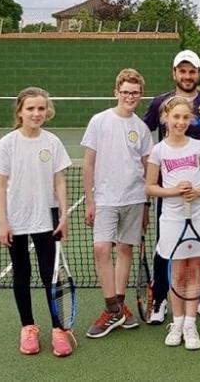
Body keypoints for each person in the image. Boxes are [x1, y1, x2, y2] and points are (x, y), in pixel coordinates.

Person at [0, 87, 74, 357]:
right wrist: (3, 222)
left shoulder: (52, 142)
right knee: (22, 275)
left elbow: (59, 181)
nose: (37, 113)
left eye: (41, 109)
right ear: (20, 112)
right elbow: (0, 185)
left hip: (46, 219)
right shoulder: (7, 143)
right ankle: (28, 327)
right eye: (31, 109)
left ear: (46, 111)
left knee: (51, 276)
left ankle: (58, 330)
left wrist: (64, 215)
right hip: (16, 219)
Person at [143, 49, 200, 323]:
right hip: (169, 192)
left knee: (197, 243)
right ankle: (161, 298)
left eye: (192, 71)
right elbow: (144, 134)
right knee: (166, 244)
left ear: (198, 74)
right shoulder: (159, 103)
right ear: (174, 73)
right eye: (182, 71)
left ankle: (199, 296)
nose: (187, 76)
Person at [82, 68, 153, 339]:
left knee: (125, 251)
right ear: (116, 92)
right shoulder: (99, 122)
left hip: (135, 199)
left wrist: (146, 205)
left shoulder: (142, 129)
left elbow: (148, 170)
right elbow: (88, 164)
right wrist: (90, 200)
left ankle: (117, 309)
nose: (130, 96)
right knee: (101, 249)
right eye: (125, 92)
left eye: (134, 93)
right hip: (105, 200)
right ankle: (114, 308)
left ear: (141, 95)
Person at [146, 96, 200, 350]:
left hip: (198, 215)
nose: (180, 121)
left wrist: (199, 191)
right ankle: (176, 323)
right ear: (166, 117)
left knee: (195, 270)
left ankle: (190, 323)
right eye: (176, 117)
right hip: (173, 218)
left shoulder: (199, 147)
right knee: (177, 271)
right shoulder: (159, 151)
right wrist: (174, 191)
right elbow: (151, 187)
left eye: (185, 117)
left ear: (191, 119)